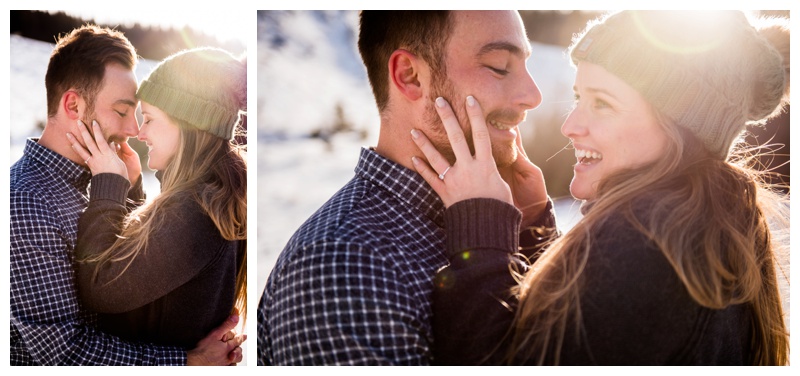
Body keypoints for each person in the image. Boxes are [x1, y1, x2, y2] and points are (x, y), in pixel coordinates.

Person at [410, 10, 790, 365]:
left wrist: (481, 227)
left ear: (679, 128)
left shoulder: (645, 239)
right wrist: (534, 231)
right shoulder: (706, 224)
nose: (570, 125)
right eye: (579, 98)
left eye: (603, 104)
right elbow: (581, 337)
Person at [257, 10, 544, 365]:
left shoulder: (492, 215)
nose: (533, 95)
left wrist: (531, 231)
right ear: (410, 76)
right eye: (500, 66)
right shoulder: (345, 262)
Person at [10, 25, 243, 365]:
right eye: (122, 111)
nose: (134, 130)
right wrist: (188, 361)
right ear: (73, 105)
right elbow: (62, 356)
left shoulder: (102, 177)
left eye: (139, 115)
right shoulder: (27, 203)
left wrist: (129, 192)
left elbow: (135, 271)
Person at [67, 47, 248, 352]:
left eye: (149, 119)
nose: (139, 132)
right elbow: (155, 277)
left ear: (188, 124)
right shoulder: (213, 197)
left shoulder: (194, 211)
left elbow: (102, 288)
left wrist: (108, 185)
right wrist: (133, 188)